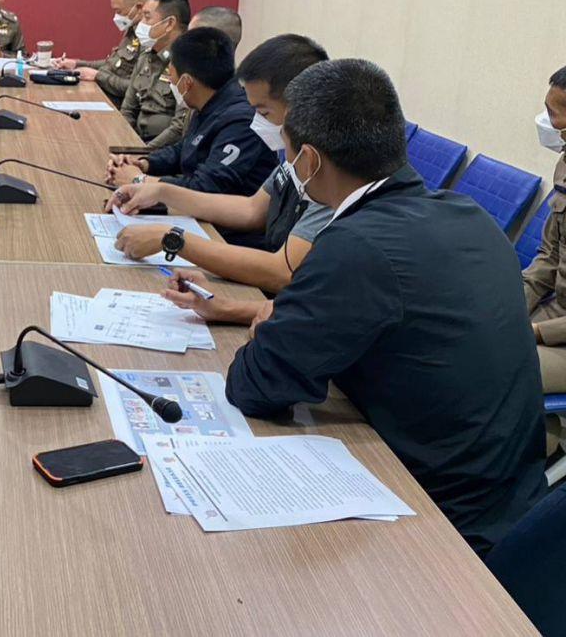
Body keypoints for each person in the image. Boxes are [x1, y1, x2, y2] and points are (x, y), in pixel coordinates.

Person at [225, 59, 545, 555]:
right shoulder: (470, 215)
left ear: (308, 161)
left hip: (435, 523)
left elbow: (256, 386)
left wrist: (270, 325)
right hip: (513, 505)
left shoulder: (355, 244)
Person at [110, 34, 331, 295]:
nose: (255, 121)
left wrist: (172, 238)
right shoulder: (291, 154)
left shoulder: (327, 171)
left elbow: (282, 273)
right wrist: (160, 191)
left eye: (263, 112)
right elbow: (251, 209)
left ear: (299, 108)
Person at [117, 28, 274, 198]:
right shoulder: (209, 100)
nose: (171, 82)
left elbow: (206, 188)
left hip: (214, 212)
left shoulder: (241, 121)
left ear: (187, 82)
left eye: (171, 77)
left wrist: (139, 180)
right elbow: (186, 149)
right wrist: (145, 164)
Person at [117, 4, 245, 164]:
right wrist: (144, 162)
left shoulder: (235, 114)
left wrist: (141, 175)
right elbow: (184, 149)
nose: (184, 41)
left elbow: (208, 177)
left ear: (215, 44)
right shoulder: (203, 93)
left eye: (192, 37)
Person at [524, 66, 566, 401]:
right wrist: (511, 306)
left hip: (557, 330)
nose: (547, 123)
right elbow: (548, 257)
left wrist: (538, 331)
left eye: (554, 115)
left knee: (497, 368)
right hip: (555, 312)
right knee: (473, 338)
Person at [52, 0, 150, 107]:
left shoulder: (149, 39)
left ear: (139, 8)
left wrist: (97, 76)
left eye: (119, 11)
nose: (116, 17)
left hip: (118, 104)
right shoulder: (132, 30)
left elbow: (136, 89)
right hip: (105, 94)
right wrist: (76, 64)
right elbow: (114, 63)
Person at [117, 0, 190, 142]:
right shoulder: (145, 57)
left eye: (147, 17)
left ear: (169, 23)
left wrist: (144, 152)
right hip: (135, 142)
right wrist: (125, 143)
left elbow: (179, 126)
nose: (140, 24)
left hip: (162, 149)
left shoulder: (186, 64)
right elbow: (128, 109)